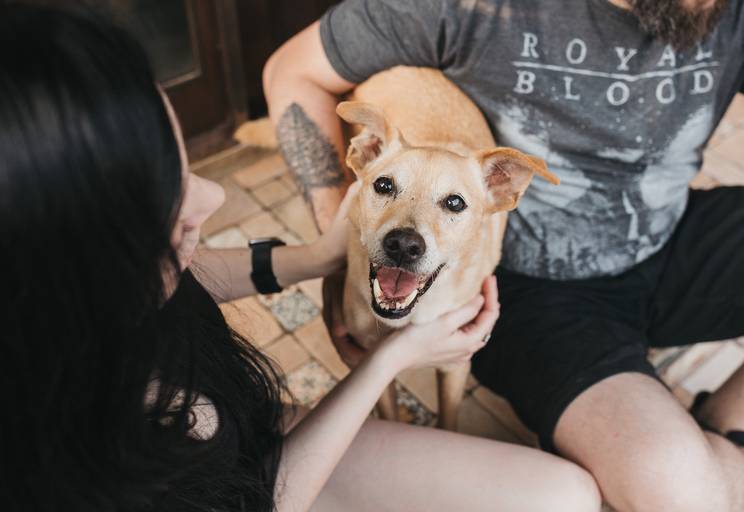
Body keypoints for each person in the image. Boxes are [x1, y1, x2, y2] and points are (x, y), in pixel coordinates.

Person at [0, 5, 602, 512]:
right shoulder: (72, 438)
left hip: (247, 431)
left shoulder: (81, 295)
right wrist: (390, 358)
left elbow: (179, 275)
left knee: (570, 493)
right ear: (76, 244)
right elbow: (262, 497)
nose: (214, 194)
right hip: (258, 487)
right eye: (171, 189)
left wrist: (314, 258)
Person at [264, 0, 744, 510]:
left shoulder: (743, 10)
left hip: (675, 232)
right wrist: (339, 249)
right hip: (536, 293)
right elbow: (292, 70)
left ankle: (730, 424)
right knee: (686, 494)